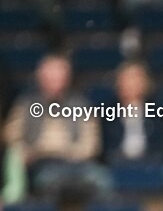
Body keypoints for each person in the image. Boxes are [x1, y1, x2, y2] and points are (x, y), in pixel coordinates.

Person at [3, 54, 110, 198]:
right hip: (42, 165)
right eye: (50, 77)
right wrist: (29, 152)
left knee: (101, 180)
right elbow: (11, 137)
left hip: (78, 165)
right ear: (40, 78)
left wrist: (62, 152)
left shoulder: (82, 105)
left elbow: (91, 145)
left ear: (67, 78)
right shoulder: (25, 105)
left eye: (59, 77)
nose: (55, 82)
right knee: (50, 182)